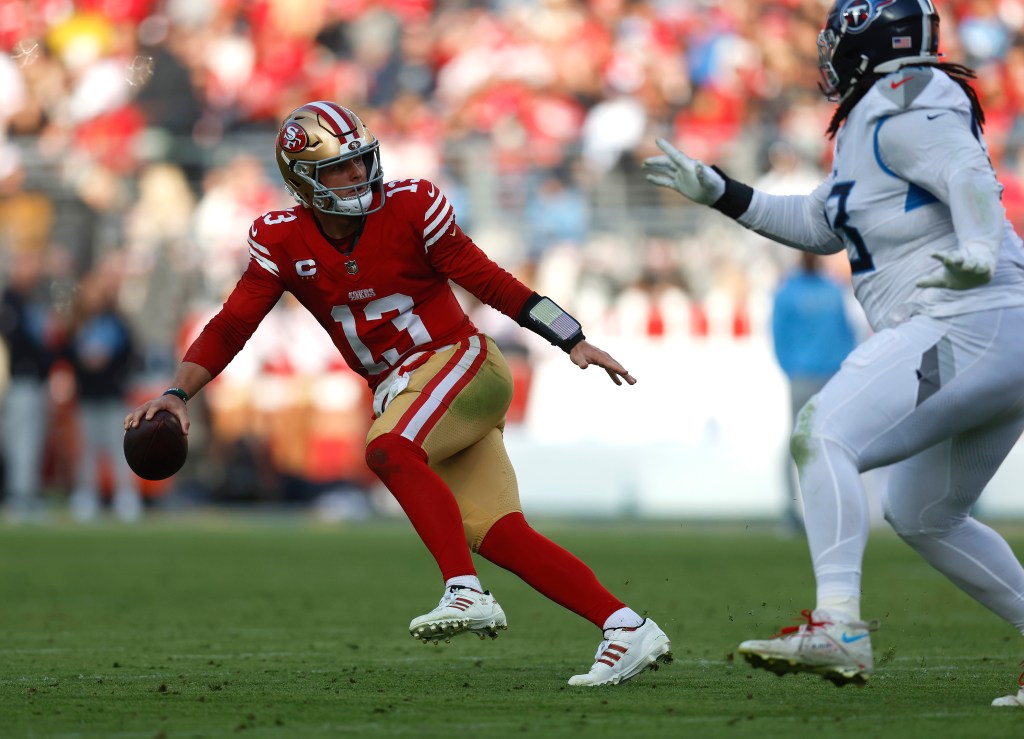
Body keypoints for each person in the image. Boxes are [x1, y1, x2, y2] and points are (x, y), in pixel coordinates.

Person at [125, 100, 671, 686]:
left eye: (361, 160)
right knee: (498, 533)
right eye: (339, 167)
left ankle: (463, 590)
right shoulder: (280, 238)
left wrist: (570, 337)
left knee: (388, 449)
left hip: (460, 362)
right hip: (408, 390)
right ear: (303, 179)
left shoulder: (411, 205)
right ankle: (626, 627)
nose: (357, 174)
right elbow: (233, 323)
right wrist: (178, 392)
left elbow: (488, 279)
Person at [643, 0, 1024, 706]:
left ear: (868, 41)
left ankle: (839, 626)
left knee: (823, 432)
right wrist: (723, 193)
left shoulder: (907, 92)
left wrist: (978, 245)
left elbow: (967, 171)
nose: (826, 58)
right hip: (993, 331)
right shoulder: (871, 120)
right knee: (924, 510)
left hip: (964, 320)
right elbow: (823, 222)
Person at [771, 252, 857, 533]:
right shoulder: (788, 291)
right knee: (798, 440)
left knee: (834, 442)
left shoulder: (833, 289)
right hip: (804, 376)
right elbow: (778, 334)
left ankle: (834, 507)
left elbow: (846, 331)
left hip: (832, 375)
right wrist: (792, 368)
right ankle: (791, 508)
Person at [65, 269, 142, 522]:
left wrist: (110, 367)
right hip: (87, 396)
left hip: (113, 396)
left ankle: (125, 496)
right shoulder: (78, 323)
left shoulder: (116, 322)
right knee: (86, 453)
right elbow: (67, 354)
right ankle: (86, 495)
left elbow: (130, 354)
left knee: (119, 450)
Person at [0, 250, 57, 523]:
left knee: (31, 441)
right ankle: (20, 495)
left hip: (34, 380)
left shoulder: (29, 300)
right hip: (19, 380)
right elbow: (19, 342)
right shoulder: (11, 301)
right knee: (21, 441)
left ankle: (26, 492)